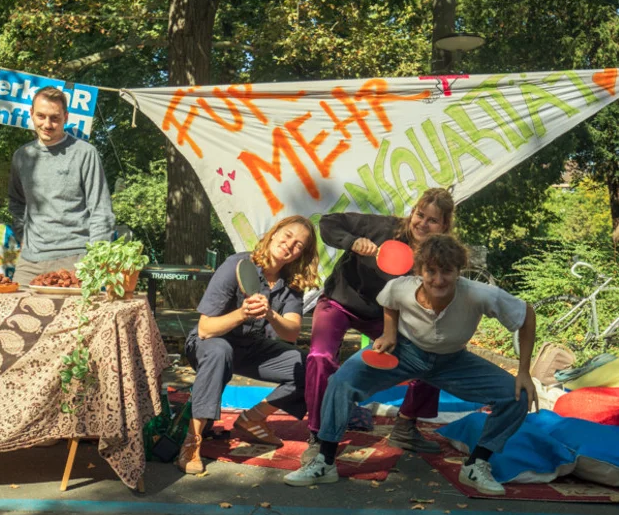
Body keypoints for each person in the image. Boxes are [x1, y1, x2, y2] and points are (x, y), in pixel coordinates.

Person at [285, 234, 537, 495]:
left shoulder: (478, 294)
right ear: (419, 271)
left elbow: (526, 314)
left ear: (459, 270)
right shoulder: (402, 287)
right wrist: (390, 333)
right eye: (431, 271)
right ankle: (324, 461)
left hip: (453, 361)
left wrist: (524, 372)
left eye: (447, 271)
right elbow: (389, 301)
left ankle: (477, 464)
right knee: (341, 382)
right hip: (405, 352)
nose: (439, 280)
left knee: (516, 394)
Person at [303, 188, 455, 463]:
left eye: (432, 220)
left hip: (384, 317)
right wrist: (351, 241)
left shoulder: (437, 256)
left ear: (444, 225)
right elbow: (327, 222)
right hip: (338, 303)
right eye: (420, 215)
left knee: (433, 354)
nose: (422, 223)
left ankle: (405, 426)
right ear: (413, 213)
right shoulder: (382, 226)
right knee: (319, 356)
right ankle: (317, 434)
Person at [176, 216, 320, 475]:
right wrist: (242, 314)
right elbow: (206, 329)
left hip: (251, 347)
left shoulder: (292, 283)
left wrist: (270, 315)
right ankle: (192, 442)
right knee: (220, 351)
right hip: (209, 343)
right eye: (287, 236)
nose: (289, 245)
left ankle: (251, 419)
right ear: (274, 234)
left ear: (303, 253)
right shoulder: (236, 265)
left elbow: (291, 331)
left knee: (308, 365)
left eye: (298, 244)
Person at [8, 86, 115, 286]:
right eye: (41, 116)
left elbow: (101, 210)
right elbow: (16, 202)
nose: (47, 124)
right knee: (13, 313)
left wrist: (95, 260)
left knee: (74, 317)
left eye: (55, 118)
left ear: (66, 117)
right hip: (30, 261)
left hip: (76, 258)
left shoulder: (84, 153)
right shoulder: (21, 156)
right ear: (31, 114)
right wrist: (24, 236)